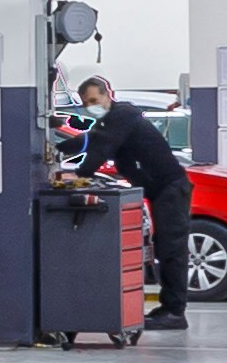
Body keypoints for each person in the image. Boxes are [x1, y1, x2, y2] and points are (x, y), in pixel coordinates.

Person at [81, 78, 200, 324]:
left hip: (170, 188)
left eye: (94, 100)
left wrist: (82, 174)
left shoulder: (122, 116)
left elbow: (101, 148)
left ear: (107, 95)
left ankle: (175, 312)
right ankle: (169, 308)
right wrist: (59, 144)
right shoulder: (110, 121)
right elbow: (90, 141)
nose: (90, 106)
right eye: (85, 103)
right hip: (160, 191)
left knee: (171, 250)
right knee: (164, 248)